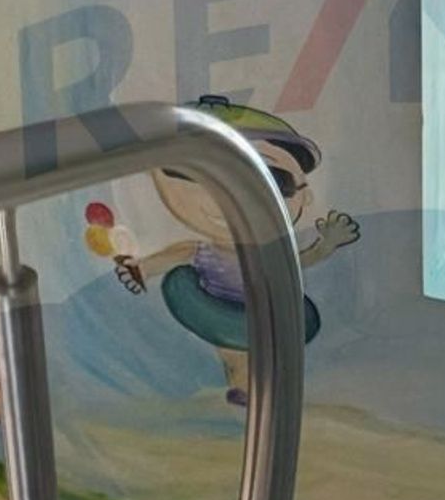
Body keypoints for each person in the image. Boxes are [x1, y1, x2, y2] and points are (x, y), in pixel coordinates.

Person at [113, 96, 360, 404]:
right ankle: (244, 387)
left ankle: (259, 389)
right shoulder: (202, 250)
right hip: (213, 305)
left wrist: (327, 244)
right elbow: (177, 255)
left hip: (263, 311)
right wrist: (141, 269)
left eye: (274, 178)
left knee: (257, 353)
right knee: (233, 354)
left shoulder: (270, 255)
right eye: (200, 176)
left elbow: (300, 262)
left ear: (302, 193)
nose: (231, 196)